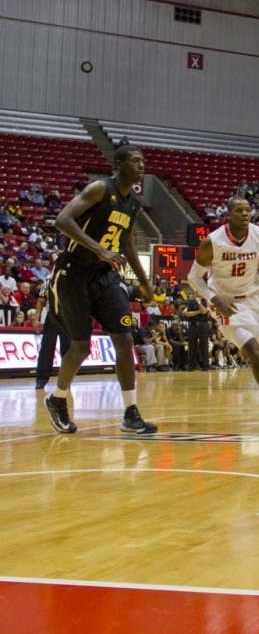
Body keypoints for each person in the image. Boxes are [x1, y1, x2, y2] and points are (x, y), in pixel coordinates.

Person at [44, 145, 158, 434]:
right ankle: (57, 399)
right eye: (135, 161)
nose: (141, 166)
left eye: (143, 162)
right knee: (80, 347)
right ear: (119, 164)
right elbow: (62, 220)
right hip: (74, 274)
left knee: (124, 339)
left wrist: (145, 283)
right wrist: (100, 250)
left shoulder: (132, 202)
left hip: (105, 277)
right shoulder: (99, 189)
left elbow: (129, 243)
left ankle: (131, 413)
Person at [186, 195, 259, 428]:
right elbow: (193, 277)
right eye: (239, 210)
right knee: (253, 352)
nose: (245, 214)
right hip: (227, 304)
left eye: (248, 210)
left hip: (255, 300)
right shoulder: (212, 242)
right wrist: (214, 299)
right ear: (229, 214)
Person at [33, 277, 71, 390]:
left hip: (68, 317)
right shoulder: (49, 280)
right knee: (46, 349)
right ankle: (41, 379)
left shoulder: (74, 279)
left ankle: (66, 379)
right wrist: (36, 318)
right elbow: (41, 301)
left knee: (67, 350)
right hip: (52, 316)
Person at [183, 295, 213, 369]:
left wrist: (199, 303)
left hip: (203, 325)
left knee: (204, 345)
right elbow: (187, 314)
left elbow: (204, 311)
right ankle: (191, 365)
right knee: (192, 346)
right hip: (193, 325)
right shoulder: (190, 302)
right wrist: (198, 311)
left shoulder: (205, 300)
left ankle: (205, 365)